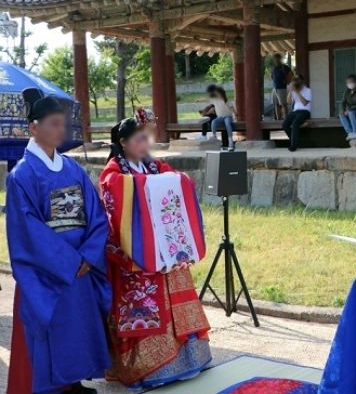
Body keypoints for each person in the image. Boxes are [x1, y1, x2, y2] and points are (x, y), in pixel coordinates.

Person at [6, 88, 111, 394]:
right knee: (48, 326)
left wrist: (89, 256)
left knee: (77, 326)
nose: (59, 130)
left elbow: (96, 215)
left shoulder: (72, 168)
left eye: (62, 123)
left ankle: (73, 383)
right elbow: (27, 229)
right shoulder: (22, 175)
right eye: (52, 123)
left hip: (80, 265)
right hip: (47, 271)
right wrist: (70, 262)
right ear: (34, 128)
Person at [99, 116, 212, 389]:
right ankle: (148, 369)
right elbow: (112, 192)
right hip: (136, 254)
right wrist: (145, 187)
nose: (144, 143)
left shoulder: (154, 166)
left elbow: (180, 182)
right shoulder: (114, 171)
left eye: (146, 139)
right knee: (146, 308)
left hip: (166, 254)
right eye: (138, 139)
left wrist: (170, 180)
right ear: (123, 143)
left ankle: (187, 361)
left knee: (176, 302)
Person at [199, 84, 236, 151]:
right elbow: (207, 100)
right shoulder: (215, 100)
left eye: (218, 93)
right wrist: (199, 100)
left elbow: (232, 108)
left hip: (227, 116)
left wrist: (235, 114)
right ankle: (214, 136)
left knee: (227, 123)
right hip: (220, 117)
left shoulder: (226, 101)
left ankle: (230, 139)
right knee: (214, 121)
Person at [282, 75, 312, 152]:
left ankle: (293, 145)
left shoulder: (308, 90)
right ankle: (295, 140)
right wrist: (291, 91)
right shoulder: (294, 90)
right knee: (285, 124)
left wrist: (298, 92)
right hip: (295, 111)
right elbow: (288, 101)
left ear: (302, 82)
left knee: (295, 123)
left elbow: (305, 103)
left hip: (305, 111)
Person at [271, 53, 293, 120]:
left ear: (280, 59)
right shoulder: (274, 68)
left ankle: (286, 119)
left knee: (283, 104)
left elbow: (291, 74)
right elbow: (272, 76)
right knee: (276, 104)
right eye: (275, 58)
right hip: (275, 88)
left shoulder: (284, 67)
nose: (276, 59)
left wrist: (287, 82)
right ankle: (278, 119)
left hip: (282, 88)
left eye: (277, 58)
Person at [339, 74, 356, 140]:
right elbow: (343, 102)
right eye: (348, 82)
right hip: (349, 110)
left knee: (351, 113)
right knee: (341, 114)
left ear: (355, 82)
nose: (349, 84)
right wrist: (342, 110)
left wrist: (349, 110)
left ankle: (355, 132)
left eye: (351, 82)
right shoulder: (347, 91)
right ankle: (350, 132)